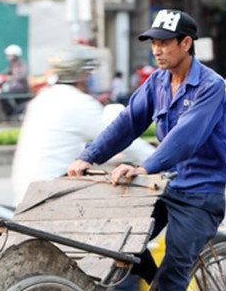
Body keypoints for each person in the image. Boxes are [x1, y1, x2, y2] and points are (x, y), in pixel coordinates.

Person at [67, 9, 226, 291]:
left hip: (201, 191)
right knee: (119, 242)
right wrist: (87, 156)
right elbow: (127, 123)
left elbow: (186, 137)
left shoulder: (210, 86)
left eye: (164, 42)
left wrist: (145, 167)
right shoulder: (158, 83)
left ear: (186, 44)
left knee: (176, 262)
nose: (157, 50)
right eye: (153, 43)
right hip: (164, 185)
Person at [12, 44, 153, 203]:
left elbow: (64, 146)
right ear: (83, 75)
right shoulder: (78, 103)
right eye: (90, 73)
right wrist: (155, 159)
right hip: (49, 195)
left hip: (24, 194)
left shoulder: (43, 98)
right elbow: (117, 136)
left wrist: (113, 158)